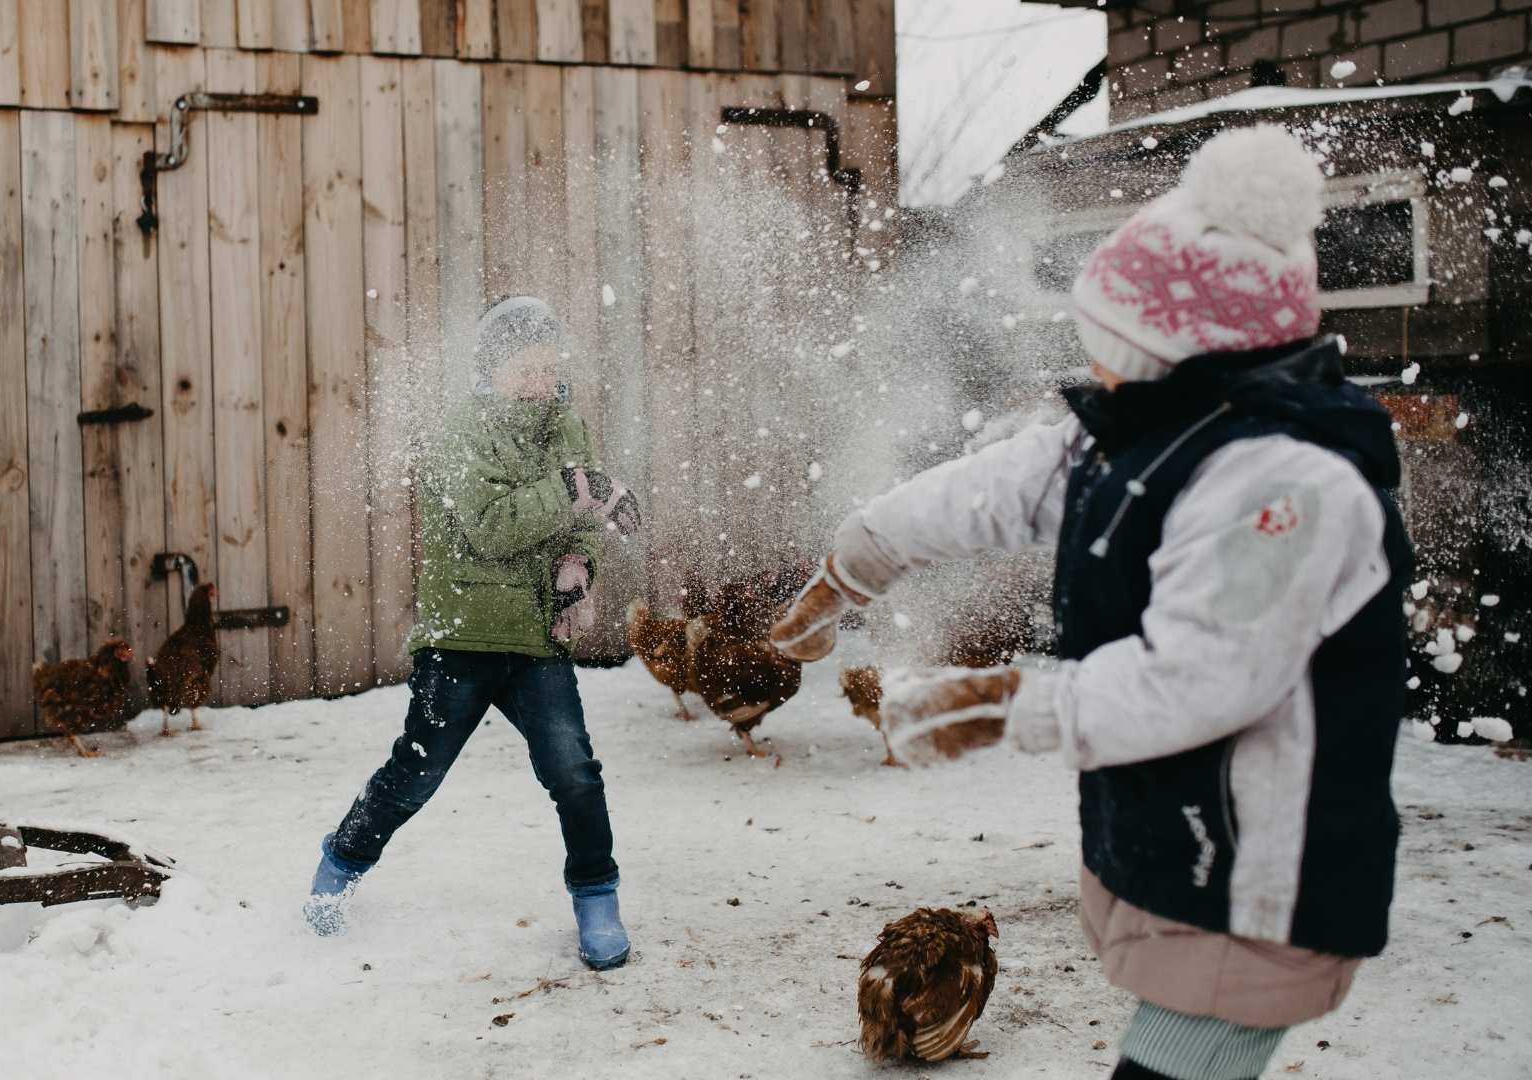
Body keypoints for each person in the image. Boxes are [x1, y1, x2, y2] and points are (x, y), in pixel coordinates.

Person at [771, 126, 1412, 1080]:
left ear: (1179, 350)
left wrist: (995, 706)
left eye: (1112, 341)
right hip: (1186, 839)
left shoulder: (1288, 488)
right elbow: (992, 489)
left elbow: (1200, 680)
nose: (1096, 362)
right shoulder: (1145, 431)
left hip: (1262, 872)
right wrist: (849, 567)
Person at [305, 296, 644, 971]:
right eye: (524, 367)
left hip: (536, 640)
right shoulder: (464, 431)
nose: (538, 381)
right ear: (491, 369)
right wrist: (577, 489)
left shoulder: (563, 424)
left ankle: (597, 898)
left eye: (548, 367)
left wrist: (579, 565)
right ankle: (340, 863)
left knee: (574, 773)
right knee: (415, 775)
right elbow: (492, 528)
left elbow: (578, 515)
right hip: (461, 638)